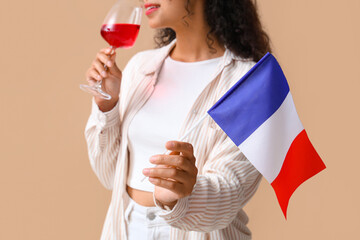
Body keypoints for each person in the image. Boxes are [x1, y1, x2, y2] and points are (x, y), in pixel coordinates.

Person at [84, 0, 271, 239]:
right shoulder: (139, 68)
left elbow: (230, 193)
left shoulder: (247, 82)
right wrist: (108, 107)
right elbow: (109, 175)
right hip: (126, 230)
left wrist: (183, 192)